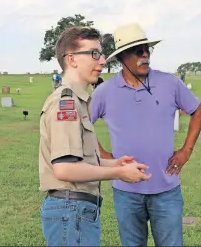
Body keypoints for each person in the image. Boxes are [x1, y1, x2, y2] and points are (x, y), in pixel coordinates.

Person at [90, 23, 201, 247]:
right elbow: (83, 125)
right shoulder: (104, 92)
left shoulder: (170, 83)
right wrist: (104, 157)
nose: (145, 55)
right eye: (138, 50)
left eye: (147, 49)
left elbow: (198, 111)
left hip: (167, 190)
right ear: (122, 57)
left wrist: (186, 151)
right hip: (126, 192)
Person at [39, 26, 152, 246]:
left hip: (76, 211)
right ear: (71, 59)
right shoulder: (67, 103)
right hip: (71, 211)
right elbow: (64, 168)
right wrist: (118, 172)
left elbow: (78, 159)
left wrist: (113, 162)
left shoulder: (79, 101)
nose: (102, 61)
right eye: (94, 54)